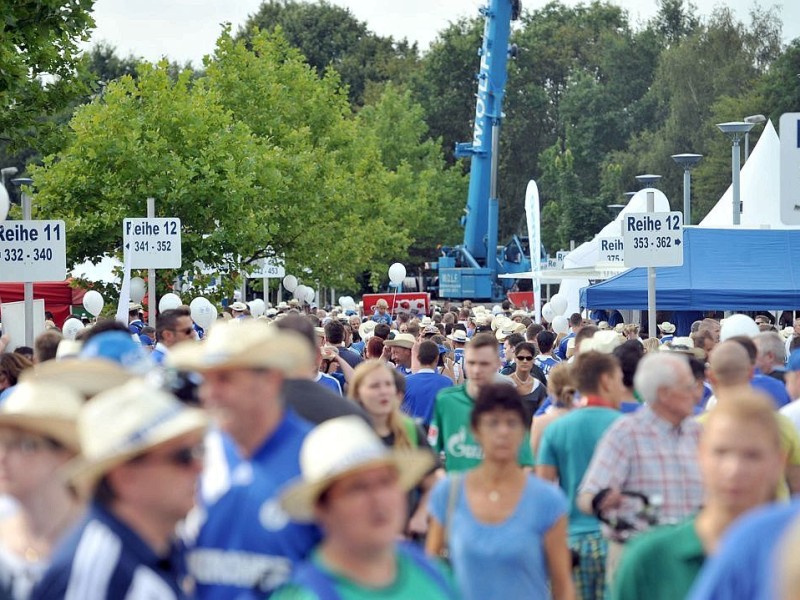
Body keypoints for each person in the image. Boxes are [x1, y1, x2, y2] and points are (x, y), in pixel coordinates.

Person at [168, 321, 323, 598]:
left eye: (224, 379)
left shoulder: (318, 458)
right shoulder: (192, 457)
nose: (207, 393)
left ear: (271, 380)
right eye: (206, 379)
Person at [32, 380, 207, 599]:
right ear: (125, 477)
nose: (200, 466)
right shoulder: (100, 573)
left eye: (198, 450)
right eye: (183, 457)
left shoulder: (166, 545)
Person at [612, 390, 785, 600]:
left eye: (752, 455)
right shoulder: (649, 559)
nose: (734, 469)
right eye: (721, 452)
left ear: (779, 462)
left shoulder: (789, 558)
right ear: (700, 455)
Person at [272, 416, 453, 599]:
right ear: (322, 507)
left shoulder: (432, 572)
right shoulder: (305, 595)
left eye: (386, 482)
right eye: (357, 488)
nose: (378, 499)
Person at [426, 383, 574, 600]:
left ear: (523, 430)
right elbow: (431, 571)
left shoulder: (547, 500)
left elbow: (562, 585)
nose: (503, 431)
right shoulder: (449, 493)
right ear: (476, 430)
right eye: (493, 423)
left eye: (512, 423)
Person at [578, 352, 704, 584]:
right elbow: (587, 496)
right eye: (689, 387)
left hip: (690, 557)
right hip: (639, 558)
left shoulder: (698, 434)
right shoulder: (626, 433)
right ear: (664, 394)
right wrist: (601, 500)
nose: (697, 394)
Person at [536, 352, 624, 600]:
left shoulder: (556, 429)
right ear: (606, 381)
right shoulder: (626, 426)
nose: (622, 387)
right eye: (619, 380)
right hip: (616, 542)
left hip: (571, 542)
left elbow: (543, 492)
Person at [0, 382, 84, 599]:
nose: (3, 458)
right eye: (1, 443)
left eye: (26, 445)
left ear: (67, 455)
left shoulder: (97, 539)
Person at [348, 361, 437, 540]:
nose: (384, 391)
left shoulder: (410, 430)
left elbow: (433, 483)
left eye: (388, 384)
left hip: (405, 539)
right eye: (374, 386)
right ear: (358, 392)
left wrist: (420, 516)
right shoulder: (346, 434)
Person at [702, 340, 800, 498]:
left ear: (711, 377)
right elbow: (796, 483)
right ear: (750, 373)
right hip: (774, 516)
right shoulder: (781, 423)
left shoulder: (699, 428)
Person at [430, 333, 535, 472]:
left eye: (484, 364)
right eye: (471, 363)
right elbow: (431, 453)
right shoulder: (446, 401)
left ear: (497, 364)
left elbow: (526, 463)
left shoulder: (510, 404)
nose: (477, 370)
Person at [402, 341, 453, 430]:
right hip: (436, 436)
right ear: (437, 359)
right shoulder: (447, 383)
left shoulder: (405, 382)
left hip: (412, 434)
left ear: (417, 358)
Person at [509, 341, 547, 426]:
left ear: (533, 360)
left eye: (528, 358)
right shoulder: (505, 384)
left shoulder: (539, 387)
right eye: (521, 358)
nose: (525, 361)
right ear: (515, 359)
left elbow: (543, 416)